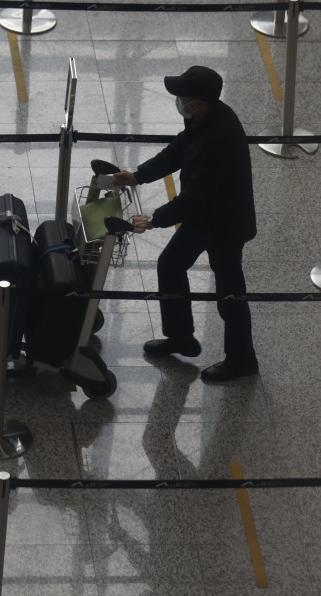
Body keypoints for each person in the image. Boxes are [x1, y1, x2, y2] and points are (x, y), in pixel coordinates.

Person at [112, 65, 258, 382]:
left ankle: (242, 360)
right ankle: (181, 337)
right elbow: (177, 151)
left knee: (230, 294)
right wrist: (137, 176)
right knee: (170, 264)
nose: (179, 102)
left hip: (225, 225)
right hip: (204, 217)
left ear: (199, 101)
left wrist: (154, 219)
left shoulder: (221, 136)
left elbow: (195, 197)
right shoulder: (202, 117)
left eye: (183, 97)